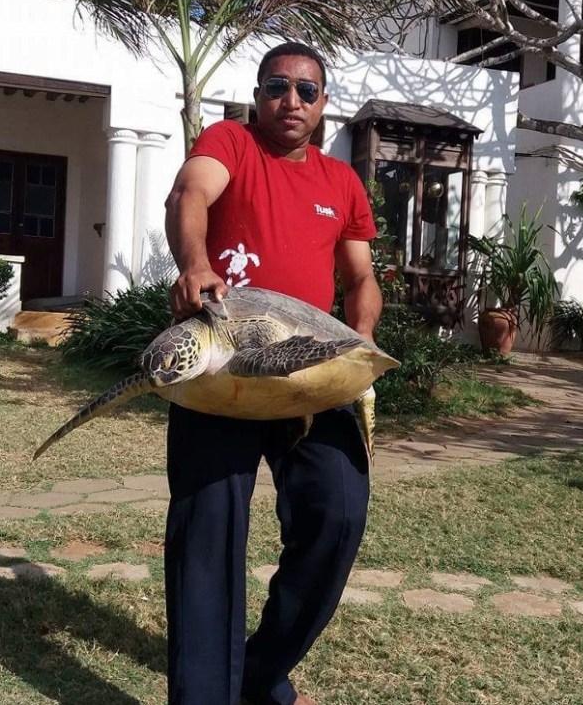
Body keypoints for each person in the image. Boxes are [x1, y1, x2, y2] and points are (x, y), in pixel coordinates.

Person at [163, 41, 383, 705]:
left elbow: (362, 275)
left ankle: (260, 676)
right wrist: (195, 264)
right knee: (209, 534)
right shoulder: (231, 142)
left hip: (309, 372)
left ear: (322, 105)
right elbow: (189, 193)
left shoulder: (340, 180)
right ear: (259, 94)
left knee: (338, 513)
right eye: (277, 86)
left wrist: (362, 339)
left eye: (307, 91)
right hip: (222, 367)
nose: (292, 101)